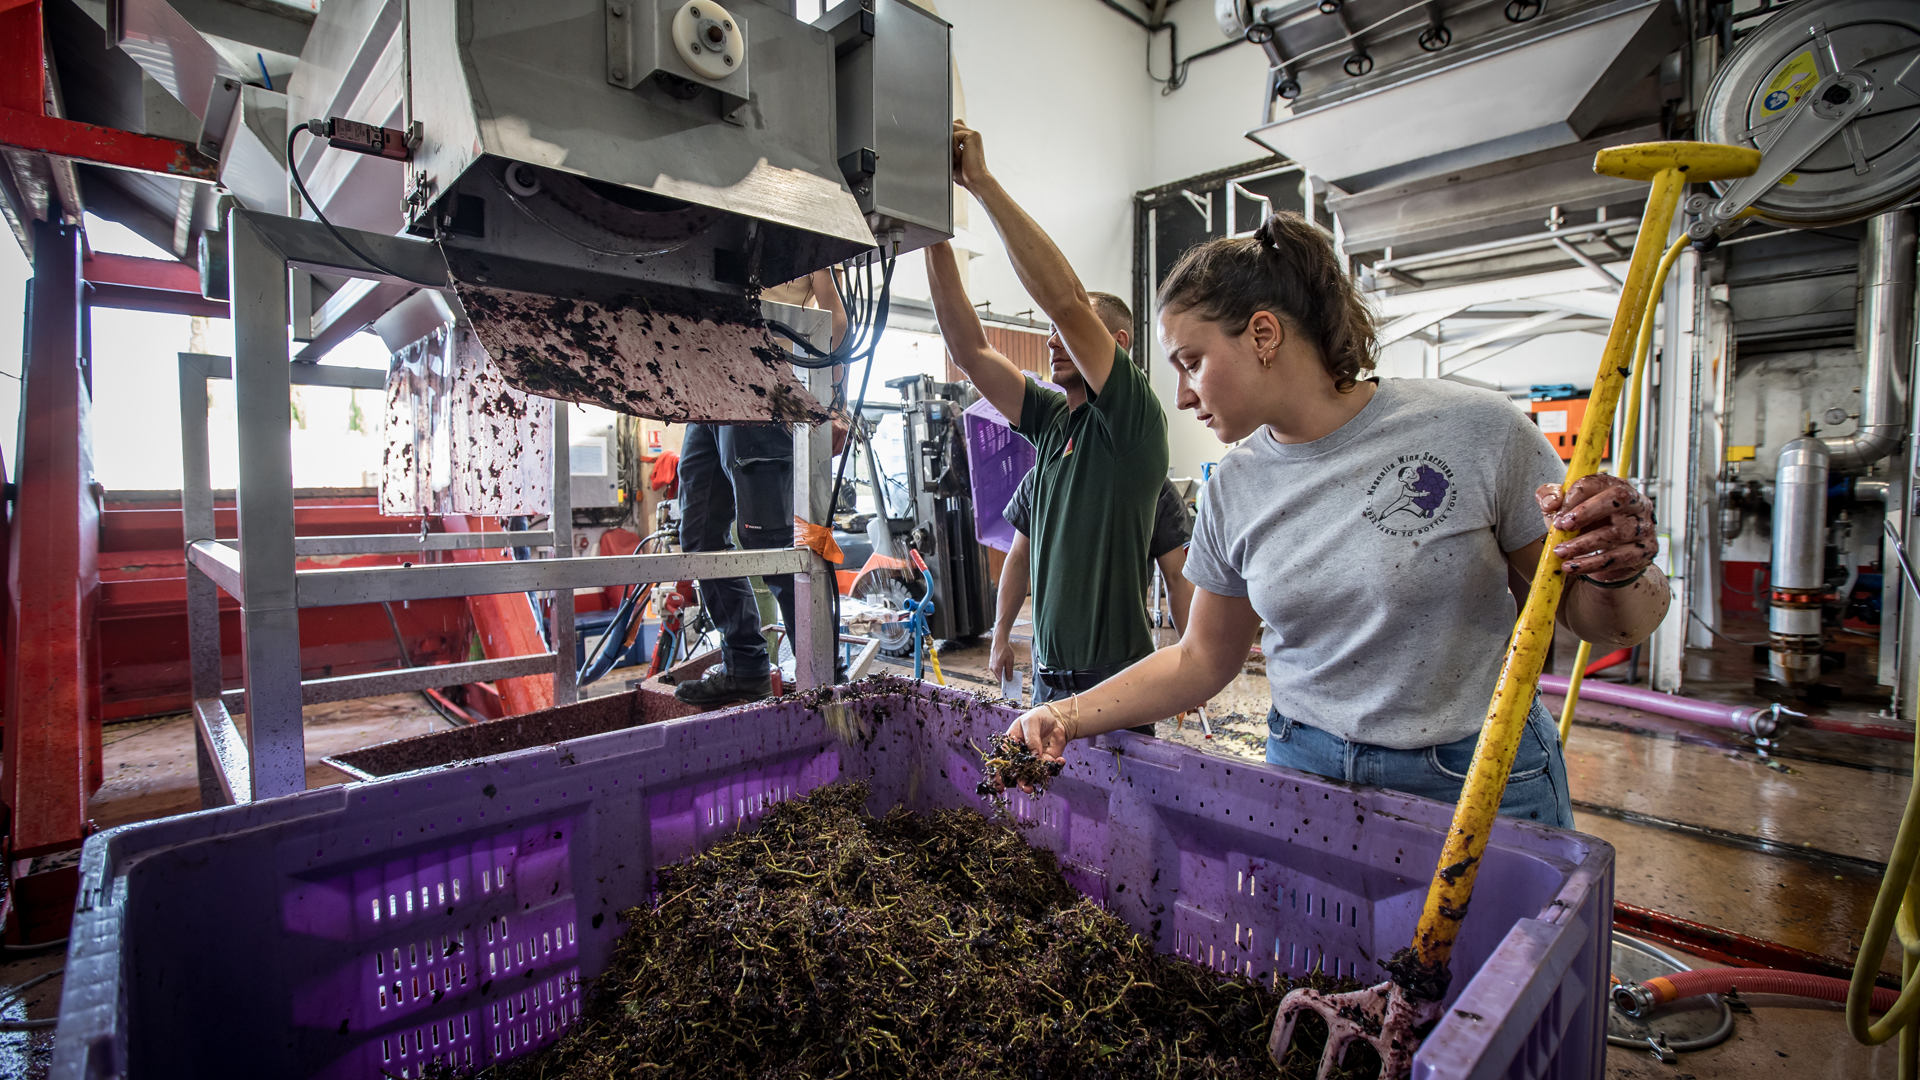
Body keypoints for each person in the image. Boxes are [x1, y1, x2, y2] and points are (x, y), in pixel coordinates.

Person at [1000, 213, 1671, 828]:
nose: (1180, 394)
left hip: (1475, 775)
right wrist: (1062, 712)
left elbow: (1599, 622)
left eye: (1193, 362)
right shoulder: (1236, 484)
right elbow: (1202, 658)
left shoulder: (1476, 431)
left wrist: (1621, 565)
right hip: (1308, 776)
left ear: (1263, 334)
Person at [928, 120, 1169, 724]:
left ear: (1112, 343)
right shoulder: (1051, 423)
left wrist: (979, 183)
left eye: (1067, 334)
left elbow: (1063, 301)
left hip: (1115, 683)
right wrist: (929, 229)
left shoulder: (1131, 423)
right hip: (1046, 679)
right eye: (1051, 335)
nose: (1050, 339)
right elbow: (971, 352)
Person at [674, 270, 847, 707]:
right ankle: (746, 667)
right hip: (707, 386)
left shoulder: (802, 235)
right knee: (698, 537)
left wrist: (834, 400)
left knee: (773, 543)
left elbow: (837, 324)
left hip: (764, 387)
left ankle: (825, 680)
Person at [992, 464, 1196, 733]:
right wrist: (1000, 634)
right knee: (1051, 762)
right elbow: (1018, 559)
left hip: (1124, 680)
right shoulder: (1043, 477)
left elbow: (1177, 578)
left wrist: (1193, 662)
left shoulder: (1152, 483)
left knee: (1123, 770)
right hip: (1051, 678)